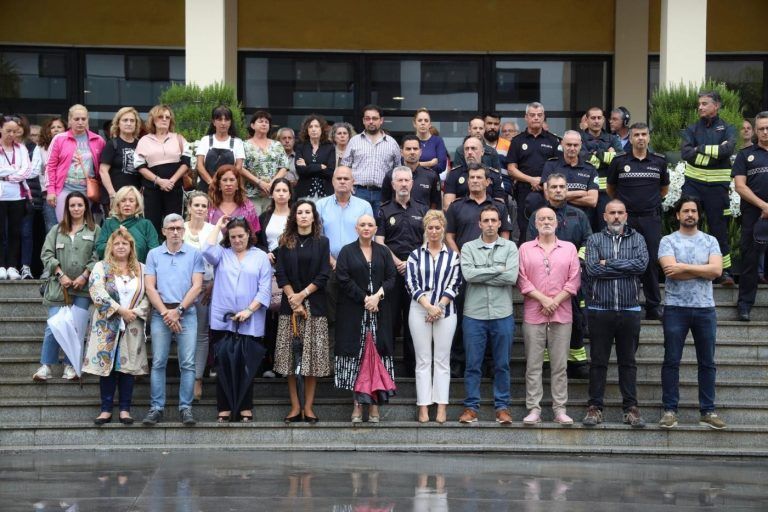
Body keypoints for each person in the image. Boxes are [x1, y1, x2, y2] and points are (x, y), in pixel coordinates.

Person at [658, 196, 726, 430]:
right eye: (685, 210)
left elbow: (717, 270)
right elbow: (670, 271)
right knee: (671, 361)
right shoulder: (668, 241)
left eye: (694, 211)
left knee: (707, 362)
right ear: (677, 215)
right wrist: (702, 270)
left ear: (698, 215)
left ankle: (708, 411)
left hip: (705, 309)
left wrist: (684, 267)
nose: (690, 214)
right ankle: (669, 410)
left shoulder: (710, 241)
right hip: (676, 308)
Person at [582, 199, 648, 428]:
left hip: (630, 310)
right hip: (601, 310)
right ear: (605, 216)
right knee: (598, 362)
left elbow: (641, 266)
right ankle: (595, 407)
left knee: (628, 362)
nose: (617, 217)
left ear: (626, 215)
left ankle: (631, 408)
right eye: (612, 213)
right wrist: (622, 266)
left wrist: (607, 262)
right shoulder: (594, 239)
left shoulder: (637, 239)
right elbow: (592, 268)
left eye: (620, 212)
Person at [203, 216, 272, 422]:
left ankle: (244, 407)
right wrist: (218, 226)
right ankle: (224, 407)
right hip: (223, 319)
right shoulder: (222, 254)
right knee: (223, 364)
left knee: (246, 365)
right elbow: (206, 250)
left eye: (241, 236)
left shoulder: (260, 256)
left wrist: (249, 311)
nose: (237, 240)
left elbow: (265, 288)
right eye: (232, 237)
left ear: (249, 234)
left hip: (250, 319)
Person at [518, 207, 580, 425]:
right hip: (534, 313)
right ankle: (534, 409)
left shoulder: (569, 248)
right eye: (542, 218)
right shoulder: (525, 249)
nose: (546, 221)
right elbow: (522, 279)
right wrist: (544, 300)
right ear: (535, 223)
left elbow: (574, 280)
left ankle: (559, 409)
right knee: (533, 365)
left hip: (562, 314)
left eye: (550, 218)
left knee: (560, 366)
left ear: (557, 223)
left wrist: (554, 301)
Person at [526, 173, 592, 378]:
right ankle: (547, 362)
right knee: (544, 320)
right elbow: (529, 245)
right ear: (546, 190)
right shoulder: (537, 215)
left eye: (562, 186)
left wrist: (578, 263)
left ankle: (576, 361)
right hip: (543, 280)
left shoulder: (578, 215)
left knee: (577, 319)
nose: (558, 190)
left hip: (572, 279)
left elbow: (588, 242)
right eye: (553, 187)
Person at [458, 205, 519, 424]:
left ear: (500, 223)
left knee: (502, 364)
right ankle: (471, 408)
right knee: (473, 364)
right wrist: (497, 270)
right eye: (486, 220)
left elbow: (511, 277)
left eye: (494, 220)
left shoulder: (511, 247)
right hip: (474, 314)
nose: (490, 224)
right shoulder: (468, 247)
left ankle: (502, 407)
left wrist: (482, 272)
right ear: (479, 224)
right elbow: (469, 275)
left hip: (502, 314)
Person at [143, 213, 205, 426]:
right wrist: (165, 313)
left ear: (184, 230)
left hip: (185, 313)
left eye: (179, 228)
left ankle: (185, 407)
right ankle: (156, 407)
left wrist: (177, 311)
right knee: (158, 361)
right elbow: (150, 286)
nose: (176, 232)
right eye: (171, 228)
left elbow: (197, 286)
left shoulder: (194, 254)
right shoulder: (153, 255)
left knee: (187, 363)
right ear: (164, 231)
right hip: (162, 314)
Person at [83, 228, 149, 425]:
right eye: (117, 243)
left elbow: (149, 295)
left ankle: (125, 410)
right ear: (111, 247)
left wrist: (135, 313)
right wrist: (120, 310)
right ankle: (105, 409)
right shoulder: (101, 267)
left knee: (127, 368)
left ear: (131, 247)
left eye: (125, 243)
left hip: (132, 324)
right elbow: (97, 292)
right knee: (108, 368)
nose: (121, 246)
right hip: (107, 323)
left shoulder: (141, 269)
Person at [335, 214, 397, 423]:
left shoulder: (383, 251)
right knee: (358, 358)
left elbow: (391, 277)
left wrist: (377, 297)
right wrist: (365, 299)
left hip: (379, 314)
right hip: (354, 313)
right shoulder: (346, 251)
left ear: (375, 228)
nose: (366, 228)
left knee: (375, 357)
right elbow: (342, 278)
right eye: (362, 224)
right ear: (356, 228)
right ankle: (357, 405)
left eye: (370, 225)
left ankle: (374, 407)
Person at [274, 200, 332, 423]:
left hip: (314, 306)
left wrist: (302, 295)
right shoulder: (285, 241)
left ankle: (308, 407)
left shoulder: (322, 242)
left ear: (314, 216)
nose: (304, 216)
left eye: (308, 212)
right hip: (291, 308)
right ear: (294, 216)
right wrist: (293, 298)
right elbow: (281, 274)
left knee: (312, 360)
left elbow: (324, 274)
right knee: (290, 359)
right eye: (300, 212)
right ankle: (295, 406)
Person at [34, 191, 100, 381]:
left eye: (80, 205)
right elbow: (46, 254)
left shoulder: (94, 230)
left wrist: (84, 275)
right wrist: (60, 274)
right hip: (59, 286)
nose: (76, 208)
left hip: (83, 288)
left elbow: (98, 255)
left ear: (85, 207)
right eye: (72, 205)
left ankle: (70, 365)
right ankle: (46, 366)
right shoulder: (56, 230)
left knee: (77, 327)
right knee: (54, 325)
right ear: (67, 208)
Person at [607, 122, 669, 320]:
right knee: (623, 260)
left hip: (651, 219)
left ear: (649, 137)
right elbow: (611, 189)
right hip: (626, 220)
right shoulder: (619, 161)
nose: (641, 138)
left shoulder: (659, 161)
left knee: (650, 261)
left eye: (644, 134)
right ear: (630, 138)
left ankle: (653, 306)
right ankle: (626, 302)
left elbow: (663, 190)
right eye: (637, 135)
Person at [406, 210, 461, 424]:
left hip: (445, 310)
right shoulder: (415, 255)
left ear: (443, 229)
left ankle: (441, 406)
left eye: (438, 227)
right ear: (425, 230)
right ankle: (423, 406)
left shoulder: (453, 256)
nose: (434, 231)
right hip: (420, 308)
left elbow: (455, 283)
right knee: (423, 360)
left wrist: (438, 307)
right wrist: (428, 306)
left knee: (442, 360)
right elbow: (411, 283)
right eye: (430, 227)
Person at [375, 166, 429, 378]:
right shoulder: (383, 210)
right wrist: (399, 262)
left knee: (414, 321)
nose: (404, 184)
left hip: (417, 274)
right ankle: (386, 368)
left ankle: (412, 368)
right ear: (393, 184)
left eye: (407, 180)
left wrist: (411, 263)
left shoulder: (423, 210)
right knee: (389, 321)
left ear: (412, 184)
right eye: (400, 181)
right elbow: (380, 242)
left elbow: (428, 240)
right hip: (391, 274)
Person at [316, 166, 374, 357]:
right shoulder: (320, 205)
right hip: (329, 266)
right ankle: (332, 359)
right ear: (332, 181)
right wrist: (331, 260)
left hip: (356, 268)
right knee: (330, 315)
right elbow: (317, 238)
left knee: (354, 314)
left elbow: (368, 237)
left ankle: (355, 358)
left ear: (353, 182)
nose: (342, 182)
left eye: (346, 179)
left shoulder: (364, 206)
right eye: (339, 178)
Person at [680, 90, 737, 284]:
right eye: (700, 104)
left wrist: (700, 149)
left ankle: (724, 271)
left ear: (716, 105)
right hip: (693, 185)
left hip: (717, 188)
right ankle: (687, 266)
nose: (700, 107)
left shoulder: (728, 128)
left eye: (705, 103)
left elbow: (728, 150)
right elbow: (686, 154)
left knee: (718, 229)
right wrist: (714, 153)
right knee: (688, 224)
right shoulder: (692, 129)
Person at [183, 191, 221, 400]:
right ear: (189, 207)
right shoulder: (180, 229)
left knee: (202, 334)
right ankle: (186, 376)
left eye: (204, 206)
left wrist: (213, 283)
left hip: (207, 286)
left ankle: (197, 379)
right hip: (183, 288)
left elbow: (221, 260)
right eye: (196, 205)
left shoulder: (213, 230)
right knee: (183, 334)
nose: (200, 209)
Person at [507, 102, 562, 241]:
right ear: (526, 117)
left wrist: (543, 182)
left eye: (539, 115)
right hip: (524, 191)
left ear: (544, 117)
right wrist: (531, 180)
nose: (536, 118)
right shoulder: (517, 141)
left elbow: (559, 168)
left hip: (548, 192)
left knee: (549, 227)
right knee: (525, 230)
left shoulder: (553, 140)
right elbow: (511, 169)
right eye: (532, 115)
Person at [134, 104, 191, 235]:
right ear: (153, 120)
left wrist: (171, 181)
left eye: (167, 117)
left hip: (174, 189)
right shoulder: (144, 140)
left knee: (174, 224)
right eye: (160, 117)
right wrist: (159, 181)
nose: (164, 119)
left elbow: (186, 163)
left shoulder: (179, 138)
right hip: (152, 190)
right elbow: (140, 166)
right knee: (151, 224)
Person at [734, 112, 768, 321]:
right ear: (755, 131)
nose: (765, 132)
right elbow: (739, 186)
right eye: (761, 128)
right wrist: (764, 205)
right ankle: (745, 305)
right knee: (749, 260)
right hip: (753, 215)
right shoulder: (745, 155)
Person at [45, 104, 106, 221]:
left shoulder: (98, 140)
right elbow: (50, 166)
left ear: (88, 120)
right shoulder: (59, 139)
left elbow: (102, 168)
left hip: (88, 191)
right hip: (64, 189)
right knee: (64, 226)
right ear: (69, 121)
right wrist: (51, 191)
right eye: (76, 119)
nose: (80, 122)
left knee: (85, 228)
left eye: (83, 119)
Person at [341, 105, 401, 213]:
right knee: (357, 225)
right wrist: (347, 185)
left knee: (382, 226)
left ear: (381, 120)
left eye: (375, 118)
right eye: (367, 118)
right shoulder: (354, 141)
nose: (371, 121)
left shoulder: (392, 143)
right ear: (363, 121)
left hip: (383, 193)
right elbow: (344, 167)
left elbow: (398, 170)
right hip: (358, 192)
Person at [531, 130, 599, 218]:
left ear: (580, 145)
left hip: (581, 220)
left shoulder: (590, 168)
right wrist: (581, 193)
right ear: (562, 144)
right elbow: (548, 197)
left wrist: (560, 197)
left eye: (575, 145)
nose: (572, 148)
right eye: (569, 145)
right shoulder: (551, 165)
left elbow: (592, 201)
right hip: (556, 219)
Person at [580, 106, 624, 233]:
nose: (596, 121)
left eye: (599, 118)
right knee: (586, 230)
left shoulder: (613, 139)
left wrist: (597, 153)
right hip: (585, 192)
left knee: (605, 230)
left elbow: (619, 161)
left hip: (606, 192)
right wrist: (607, 155)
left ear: (603, 120)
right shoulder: (579, 139)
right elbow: (583, 160)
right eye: (593, 118)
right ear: (586, 120)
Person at [0, 116, 33, 280]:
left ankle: (12, 266)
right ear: (0, 129)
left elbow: (27, 170)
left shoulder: (21, 148)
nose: (12, 134)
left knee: (15, 232)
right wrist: (14, 171)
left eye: (14, 131)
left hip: (17, 196)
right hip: (1, 195)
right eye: (8, 131)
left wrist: (7, 175)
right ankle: (0, 265)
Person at [96, 186, 159, 263]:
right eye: (123, 200)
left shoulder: (146, 224)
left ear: (137, 204)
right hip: (112, 270)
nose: (127, 204)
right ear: (118, 204)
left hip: (139, 270)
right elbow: (99, 248)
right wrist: (117, 236)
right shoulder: (109, 223)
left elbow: (154, 251)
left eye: (131, 201)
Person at [242, 110, 289, 212]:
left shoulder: (277, 145)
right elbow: (240, 168)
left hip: (272, 195)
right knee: (253, 226)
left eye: (266, 122)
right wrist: (259, 182)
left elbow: (284, 167)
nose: (264, 124)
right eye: (260, 121)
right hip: (252, 194)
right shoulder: (244, 145)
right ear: (253, 125)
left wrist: (272, 184)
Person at [99, 107, 143, 208]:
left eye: (132, 120)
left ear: (136, 124)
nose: (129, 123)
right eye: (125, 120)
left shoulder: (140, 145)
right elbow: (103, 171)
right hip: (115, 197)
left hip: (134, 198)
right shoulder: (112, 144)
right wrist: (112, 194)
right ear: (118, 123)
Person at [443, 137, 505, 209]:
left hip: (487, 217)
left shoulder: (494, 175)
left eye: (473, 148)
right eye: (466, 149)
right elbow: (448, 206)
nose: (469, 152)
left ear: (482, 152)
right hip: (461, 217)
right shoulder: (454, 174)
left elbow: (500, 205)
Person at [195, 105, 245, 193]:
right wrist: (211, 183)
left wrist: (226, 184)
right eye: (219, 119)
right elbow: (199, 165)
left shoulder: (238, 142)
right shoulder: (205, 140)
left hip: (228, 189)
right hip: (206, 187)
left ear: (230, 122)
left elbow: (238, 167)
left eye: (226, 119)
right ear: (213, 122)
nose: (223, 123)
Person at [382, 135, 441, 209]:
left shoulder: (431, 176)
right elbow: (384, 203)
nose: (412, 152)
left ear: (420, 152)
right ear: (401, 152)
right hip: (397, 219)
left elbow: (435, 204)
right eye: (408, 149)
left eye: (415, 149)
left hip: (423, 219)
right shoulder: (391, 175)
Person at [32, 117, 67, 234]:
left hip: (68, 190)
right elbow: (35, 170)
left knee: (69, 226)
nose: (56, 130)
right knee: (52, 228)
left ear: (65, 129)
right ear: (48, 131)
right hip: (49, 193)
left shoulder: (70, 145)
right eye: (52, 127)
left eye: (59, 127)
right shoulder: (40, 148)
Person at [207, 164, 261, 235]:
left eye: (232, 180)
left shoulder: (248, 206)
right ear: (219, 185)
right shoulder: (210, 205)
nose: (228, 184)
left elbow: (254, 233)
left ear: (237, 184)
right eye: (224, 180)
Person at [294, 114, 336, 200]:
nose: (313, 129)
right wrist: (320, 166)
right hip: (304, 192)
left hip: (326, 192)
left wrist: (308, 167)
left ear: (322, 129)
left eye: (316, 126)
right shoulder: (300, 146)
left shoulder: (329, 147)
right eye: (310, 127)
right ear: (307, 130)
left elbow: (330, 171)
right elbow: (300, 170)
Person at [412, 108, 447, 174]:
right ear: (414, 123)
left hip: (432, 181)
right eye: (420, 120)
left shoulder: (438, 141)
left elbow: (441, 166)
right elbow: (406, 165)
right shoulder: (410, 141)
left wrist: (416, 164)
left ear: (430, 124)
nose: (423, 123)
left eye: (426, 120)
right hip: (413, 181)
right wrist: (430, 163)